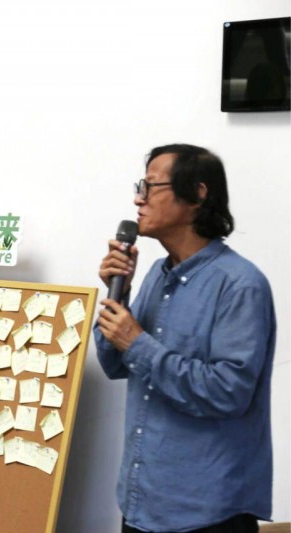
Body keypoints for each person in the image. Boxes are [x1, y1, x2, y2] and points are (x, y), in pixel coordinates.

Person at [95, 144, 275, 533]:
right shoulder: (157, 275)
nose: (138, 199)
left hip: (206, 512)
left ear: (197, 194)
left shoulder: (240, 285)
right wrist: (118, 292)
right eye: (140, 187)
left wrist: (137, 342)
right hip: (141, 501)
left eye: (150, 186)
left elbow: (228, 392)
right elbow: (114, 364)